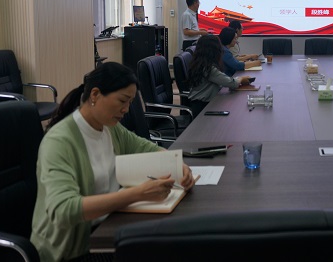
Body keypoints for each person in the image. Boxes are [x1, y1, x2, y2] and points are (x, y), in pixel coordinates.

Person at [31, 62, 194, 262]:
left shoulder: (108, 126)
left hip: (108, 227)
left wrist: (177, 165)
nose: (126, 109)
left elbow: (145, 147)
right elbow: (64, 209)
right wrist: (137, 194)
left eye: (130, 102)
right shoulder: (60, 142)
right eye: (122, 101)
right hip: (72, 250)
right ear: (95, 95)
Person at [188, 35, 253, 117]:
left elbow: (222, 79)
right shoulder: (208, 68)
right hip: (203, 108)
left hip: (203, 103)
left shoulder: (200, 63)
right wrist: (241, 79)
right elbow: (232, 83)